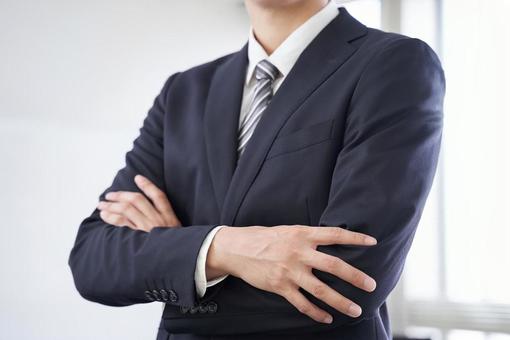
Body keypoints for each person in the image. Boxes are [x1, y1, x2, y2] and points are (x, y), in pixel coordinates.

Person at [68, 0, 445, 339]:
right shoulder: (184, 92)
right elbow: (92, 260)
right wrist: (219, 249)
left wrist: (176, 260)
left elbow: (343, 281)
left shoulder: (393, 64)